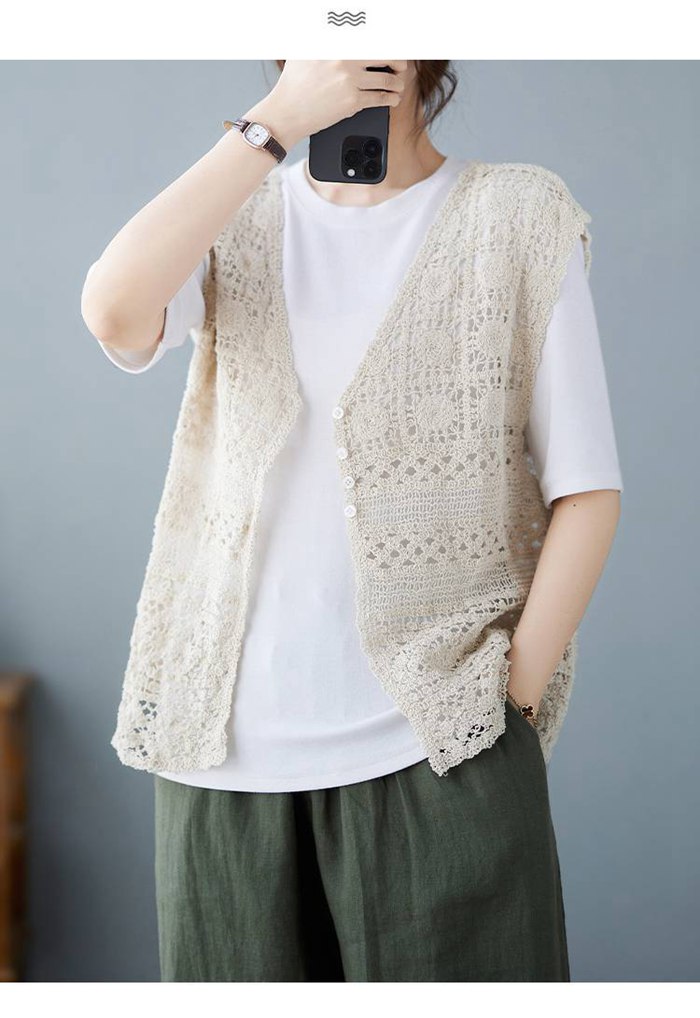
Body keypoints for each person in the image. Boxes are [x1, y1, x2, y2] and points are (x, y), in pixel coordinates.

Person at [81, 60, 623, 982]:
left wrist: (508, 704)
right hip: (222, 756)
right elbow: (114, 311)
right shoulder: (235, 209)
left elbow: (587, 489)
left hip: (441, 742)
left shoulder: (516, 215)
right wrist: (272, 125)